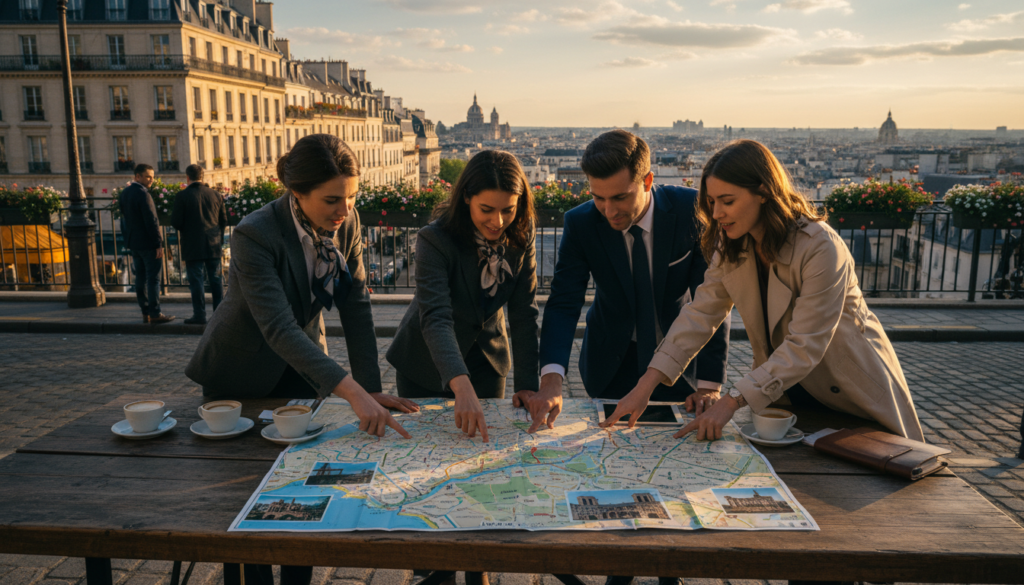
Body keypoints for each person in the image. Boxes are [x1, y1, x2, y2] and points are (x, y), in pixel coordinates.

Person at [184, 134, 418, 585]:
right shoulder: (254, 231)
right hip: (239, 370)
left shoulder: (345, 223)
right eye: (332, 200)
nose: (344, 211)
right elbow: (278, 328)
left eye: (352, 197)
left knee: (301, 494)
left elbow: (356, 306)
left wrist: (369, 390)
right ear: (296, 191)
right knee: (241, 498)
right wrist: (351, 393)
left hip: (303, 367)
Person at [603, 139, 924, 445]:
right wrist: (645, 385)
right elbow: (700, 314)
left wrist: (730, 402)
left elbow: (804, 345)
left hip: (853, 396)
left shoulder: (821, 247)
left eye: (727, 202)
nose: (715, 214)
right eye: (712, 203)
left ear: (764, 193)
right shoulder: (730, 245)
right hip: (784, 394)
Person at [519, 129, 730, 442]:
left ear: (647, 181)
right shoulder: (581, 223)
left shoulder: (692, 211)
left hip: (681, 363)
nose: (609, 211)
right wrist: (551, 381)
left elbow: (712, 301)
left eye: (620, 197)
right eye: (598, 197)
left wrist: (709, 386)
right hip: (609, 366)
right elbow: (564, 302)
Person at [387, 150, 539, 443]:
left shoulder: (522, 230)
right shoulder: (434, 239)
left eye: (508, 210)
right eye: (487, 209)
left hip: (487, 361)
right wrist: (462, 385)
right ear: (467, 197)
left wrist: (527, 385)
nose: (498, 221)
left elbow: (524, 312)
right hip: (424, 363)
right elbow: (436, 317)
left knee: (482, 449)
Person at [170, 164, 226, 325]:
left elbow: (176, 221)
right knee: (216, 280)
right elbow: (223, 220)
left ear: (187, 177)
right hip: (213, 243)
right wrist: (217, 236)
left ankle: (199, 315)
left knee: (196, 281)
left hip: (192, 244)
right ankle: (219, 315)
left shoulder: (182, 196)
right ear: (203, 176)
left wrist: (188, 229)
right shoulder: (216, 194)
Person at [119, 163, 174, 324]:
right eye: (148, 177)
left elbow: (124, 218)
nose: (152, 180)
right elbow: (152, 221)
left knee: (140, 278)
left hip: (134, 243)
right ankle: (155, 313)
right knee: (153, 279)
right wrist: (158, 244)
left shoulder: (125, 193)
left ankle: (145, 312)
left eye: (153, 177)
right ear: (138, 176)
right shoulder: (143, 194)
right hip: (148, 244)